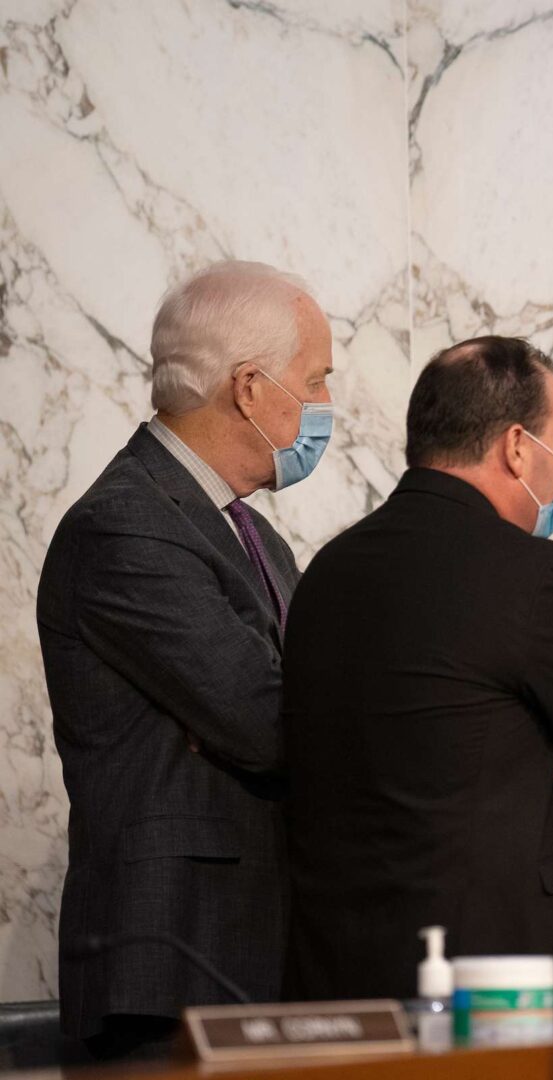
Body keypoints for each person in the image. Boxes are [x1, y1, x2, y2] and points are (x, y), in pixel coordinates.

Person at [280, 336, 553, 1032]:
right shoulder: (539, 573)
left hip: (341, 969)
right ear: (518, 447)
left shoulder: (326, 571)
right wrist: (532, 761)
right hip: (497, 979)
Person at [37, 261, 333, 1058]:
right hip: (174, 959)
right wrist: (285, 712)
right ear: (249, 387)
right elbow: (271, 721)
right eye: (317, 380)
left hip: (262, 952)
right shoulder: (126, 522)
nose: (327, 408)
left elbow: (303, 704)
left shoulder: (255, 534)